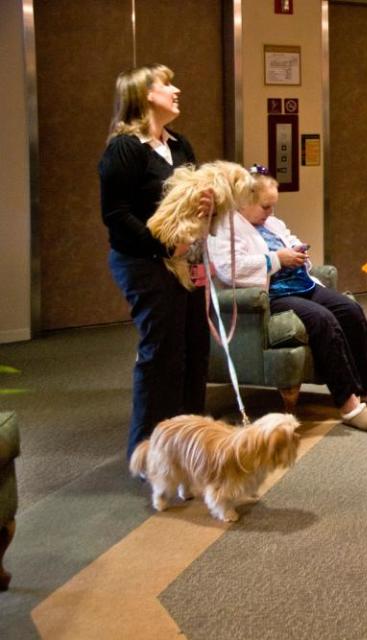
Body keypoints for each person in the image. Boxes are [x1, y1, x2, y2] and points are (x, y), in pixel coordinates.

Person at [206, 168, 367, 431]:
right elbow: (230, 269)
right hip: (270, 294)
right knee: (323, 321)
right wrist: (276, 259)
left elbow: (289, 238)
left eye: (273, 206)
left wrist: (297, 250)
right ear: (243, 202)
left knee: (349, 309)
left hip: (301, 285)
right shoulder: (225, 228)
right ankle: (349, 403)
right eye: (265, 206)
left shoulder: (270, 222)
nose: (270, 212)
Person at [98, 63, 211, 460]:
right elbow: (116, 215)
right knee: (161, 355)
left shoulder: (180, 145)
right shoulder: (125, 148)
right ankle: (148, 453)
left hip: (187, 262)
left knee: (195, 350)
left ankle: (191, 445)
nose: (176, 89)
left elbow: (193, 198)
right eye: (167, 84)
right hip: (143, 262)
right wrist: (165, 248)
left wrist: (206, 208)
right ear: (145, 94)